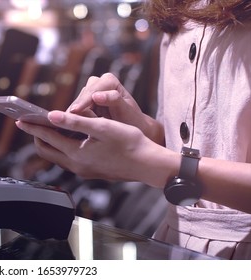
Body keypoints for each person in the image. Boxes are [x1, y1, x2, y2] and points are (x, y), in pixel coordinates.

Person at [16, 0, 251, 259]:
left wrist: (151, 162)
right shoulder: (179, 10)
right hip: (175, 243)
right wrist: (141, 132)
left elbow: (173, 163)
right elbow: (190, 145)